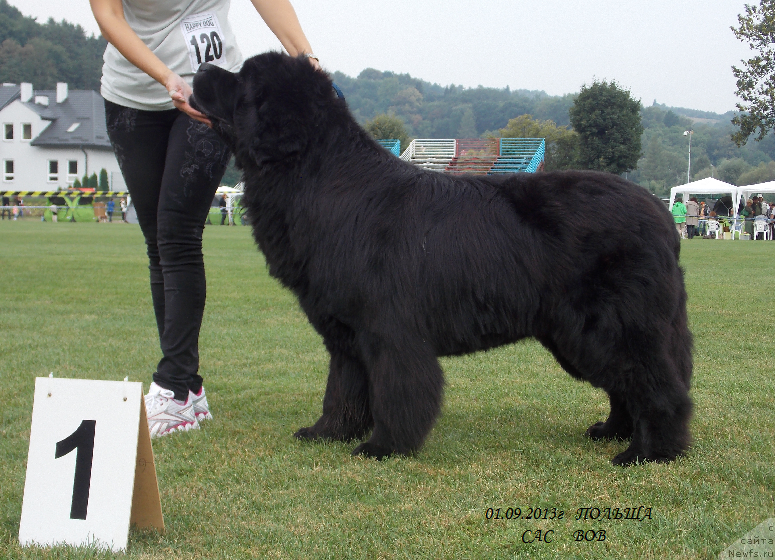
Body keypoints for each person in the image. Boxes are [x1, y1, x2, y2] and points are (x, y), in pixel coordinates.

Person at [90, 0, 318, 438]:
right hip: (130, 94)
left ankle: (173, 387)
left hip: (208, 90)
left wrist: (306, 57)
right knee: (158, 241)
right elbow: (108, 16)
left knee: (177, 234)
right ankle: (188, 390)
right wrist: (165, 77)